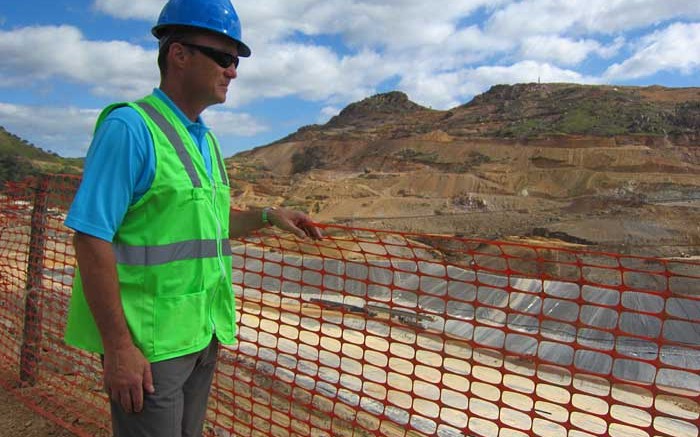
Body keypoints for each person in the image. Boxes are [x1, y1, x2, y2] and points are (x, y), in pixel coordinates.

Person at [63, 0, 323, 435]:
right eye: (223, 57)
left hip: (201, 337)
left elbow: (211, 225)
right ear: (179, 54)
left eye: (235, 61)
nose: (233, 71)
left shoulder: (206, 142)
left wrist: (266, 215)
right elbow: (90, 238)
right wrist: (119, 348)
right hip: (149, 349)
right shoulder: (130, 128)